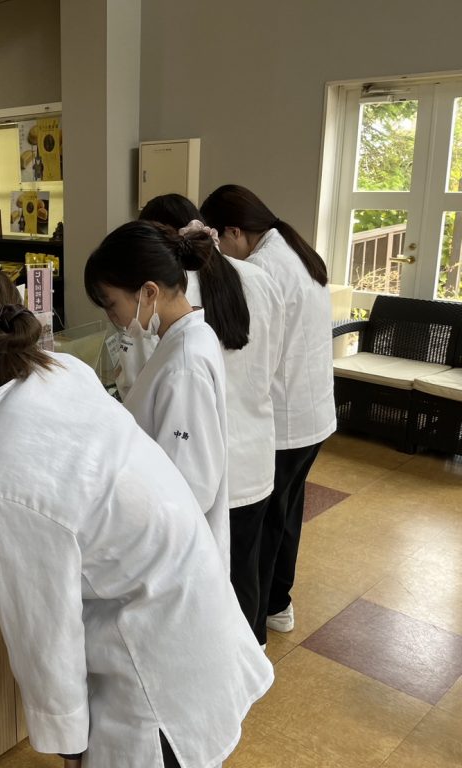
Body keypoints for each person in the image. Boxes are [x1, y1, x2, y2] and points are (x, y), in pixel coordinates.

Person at [0, 267, 272, 768]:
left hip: (155, 670)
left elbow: (43, 631)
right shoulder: (59, 369)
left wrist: (71, 745)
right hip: (196, 610)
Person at [139, 194, 286, 645]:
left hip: (206, 465)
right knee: (248, 567)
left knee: (217, 584)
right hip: (256, 453)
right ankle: (256, 654)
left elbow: (148, 375)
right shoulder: (259, 278)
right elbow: (273, 363)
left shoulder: (170, 297)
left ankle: (235, 667)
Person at [201, 184, 336, 638]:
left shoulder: (262, 269)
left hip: (288, 417)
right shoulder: (297, 251)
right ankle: (278, 603)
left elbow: (253, 354)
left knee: (264, 526)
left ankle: (254, 628)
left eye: (219, 241)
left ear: (234, 231)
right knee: (287, 513)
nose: (221, 254)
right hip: (313, 413)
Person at [84, 221, 231, 564]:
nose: (113, 317)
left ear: (149, 292)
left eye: (111, 305)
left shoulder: (184, 363)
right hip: (169, 540)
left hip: (177, 549)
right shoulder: (184, 338)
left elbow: (191, 486)